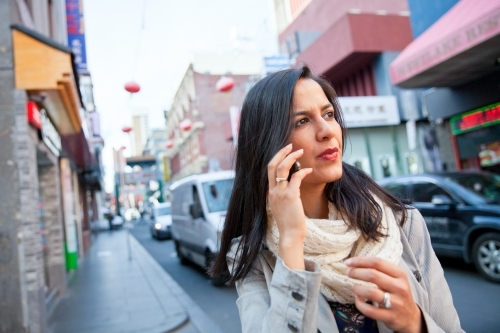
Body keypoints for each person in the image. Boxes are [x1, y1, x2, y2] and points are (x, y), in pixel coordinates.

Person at [210, 66, 464, 333]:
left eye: (328, 114)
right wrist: (291, 242)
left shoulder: (403, 224)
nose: (327, 131)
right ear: (269, 147)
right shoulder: (254, 259)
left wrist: (415, 323)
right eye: (301, 121)